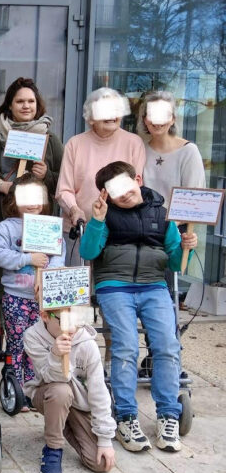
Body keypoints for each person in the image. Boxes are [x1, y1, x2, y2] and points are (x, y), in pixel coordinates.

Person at [80, 161, 197, 453]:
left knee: (168, 345)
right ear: (106, 194)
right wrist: (97, 221)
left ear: (138, 179)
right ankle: (126, 417)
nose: (122, 194)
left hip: (154, 286)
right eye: (113, 190)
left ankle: (168, 415)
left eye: (125, 185)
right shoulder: (105, 215)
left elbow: (175, 264)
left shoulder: (164, 214)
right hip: (113, 286)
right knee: (126, 346)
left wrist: (186, 247)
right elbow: (88, 252)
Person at [0, 174, 65, 406]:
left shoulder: (50, 226)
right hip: (16, 297)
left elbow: (58, 256)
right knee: (17, 343)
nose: (32, 203)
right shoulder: (7, 227)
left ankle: (33, 391)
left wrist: (47, 273)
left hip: (42, 300)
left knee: (39, 344)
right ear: (14, 200)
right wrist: (28, 258)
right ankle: (15, 389)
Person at [23, 309, 116, 473]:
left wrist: (105, 439)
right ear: (45, 316)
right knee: (61, 391)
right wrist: (56, 355)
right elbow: (51, 377)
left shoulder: (87, 343)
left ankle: (62, 424)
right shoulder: (33, 336)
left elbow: (98, 390)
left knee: (101, 463)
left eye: (78, 319)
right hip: (49, 393)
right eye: (65, 320)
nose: (72, 328)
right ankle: (53, 448)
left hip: (79, 403)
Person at [56, 87, 145, 265]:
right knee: (81, 281)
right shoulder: (75, 144)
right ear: (90, 118)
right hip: (81, 231)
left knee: (112, 281)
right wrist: (74, 209)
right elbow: (64, 190)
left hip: (120, 234)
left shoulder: (134, 143)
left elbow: (136, 189)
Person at [0, 77, 64, 227]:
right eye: (20, 101)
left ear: (37, 104)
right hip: (0, 216)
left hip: (37, 221)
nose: (26, 106)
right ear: (10, 105)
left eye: (31, 101)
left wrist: (46, 175)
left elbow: (65, 182)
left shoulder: (50, 139)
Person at [137, 90, 206, 208]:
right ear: (144, 119)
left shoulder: (189, 152)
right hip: (144, 219)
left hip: (177, 219)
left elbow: (195, 201)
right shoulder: (140, 149)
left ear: (173, 119)